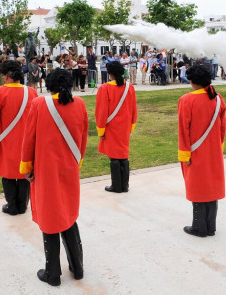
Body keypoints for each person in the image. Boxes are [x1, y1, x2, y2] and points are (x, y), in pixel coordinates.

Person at [20, 69, 88, 287]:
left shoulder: (40, 104)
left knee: (50, 219)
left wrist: (27, 167)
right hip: (69, 167)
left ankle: (53, 274)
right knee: (68, 215)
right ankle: (77, 268)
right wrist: (76, 162)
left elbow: (29, 138)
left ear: (49, 85)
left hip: (46, 170)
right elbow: (83, 136)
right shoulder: (79, 104)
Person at [178, 64, 226, 237]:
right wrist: (218, 148)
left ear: (193, 81)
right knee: (211, 187)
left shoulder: (186, 100)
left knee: (198, 187)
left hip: (195, 151)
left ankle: (199, 228)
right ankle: (210, 226)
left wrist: (184, 154)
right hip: (213, 151)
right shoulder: (218, 98)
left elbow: (184, 131)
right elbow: (222, 128)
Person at [0, 60, 38, 216]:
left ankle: (12, 205)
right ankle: (22, 205)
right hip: (27, 140)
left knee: (8, 174)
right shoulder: (31, 91)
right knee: (25, 171)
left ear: (6, 75)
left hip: (7, 139)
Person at [95, 61, 137, 193]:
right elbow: (133, 108)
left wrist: (101, 130)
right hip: (124, 126)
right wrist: (132, 125)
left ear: (110, 74)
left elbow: (101, 111)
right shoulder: (129, 87)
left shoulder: (104, 88)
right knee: (123, 155)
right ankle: (124, 185)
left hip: (111, 127)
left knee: (114, 156)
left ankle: (116, 186)